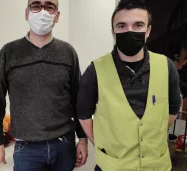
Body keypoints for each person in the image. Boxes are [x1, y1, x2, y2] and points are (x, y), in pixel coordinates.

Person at [0, 0, 88, 171]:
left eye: (49, 6)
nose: (43, 11)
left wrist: (82, 138)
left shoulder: (67, 52)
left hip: (64, 145)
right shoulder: (9, 52)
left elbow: (78, 100)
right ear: (27, 13)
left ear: (57, 15)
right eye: (36, 5)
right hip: (27, 150)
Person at [77, 0, 181, 171]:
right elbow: (83, 114)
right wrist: (103, 143)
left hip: (156, 165)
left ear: (148, 31)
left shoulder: (166, 65)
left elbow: (173, 108)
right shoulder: (95, 70)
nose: (129, 31)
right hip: (113, 166)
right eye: (122, 26)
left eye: (138, 25)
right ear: (113, 32)